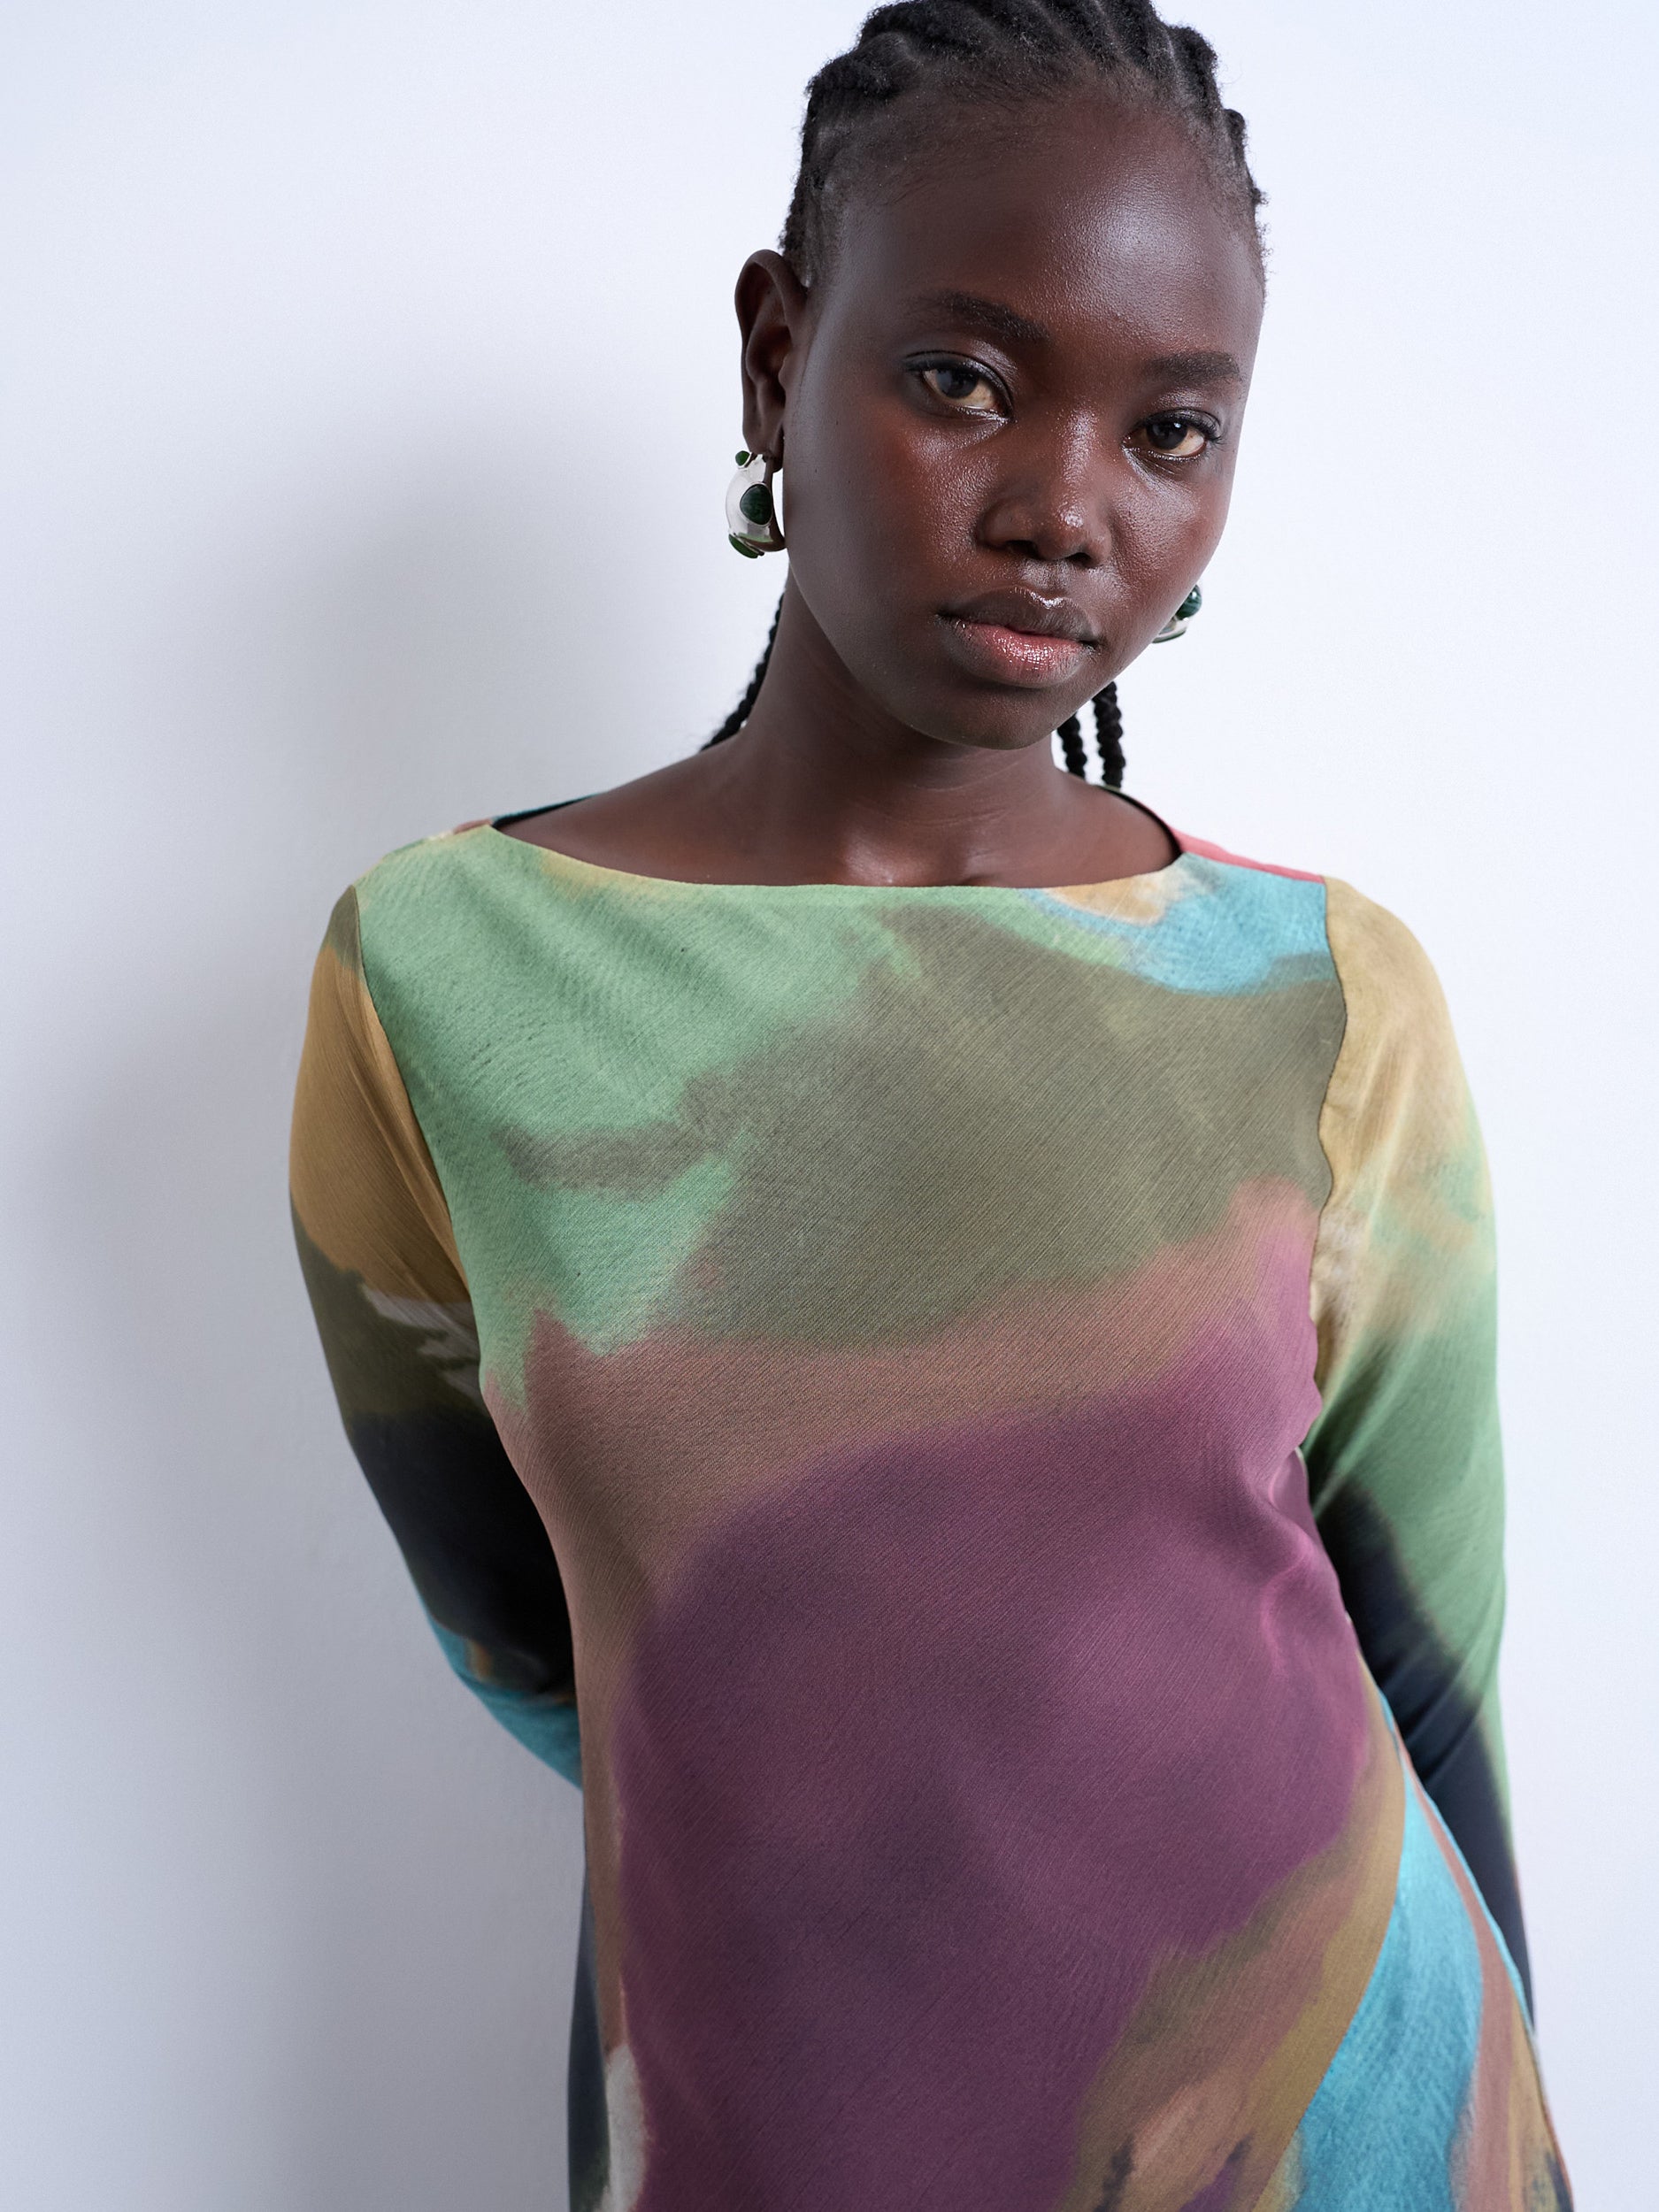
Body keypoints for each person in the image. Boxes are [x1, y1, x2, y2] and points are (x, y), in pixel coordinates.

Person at [288, 4, 1572, 2205]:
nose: (1065, 508)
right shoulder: (443, 973)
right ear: (776, 352)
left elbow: (1427, 1674)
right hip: (770, 2120)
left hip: (1343, 2121)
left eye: (1168, 430)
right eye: (964, 379)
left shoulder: (1319, 993)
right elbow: (552, 1640)